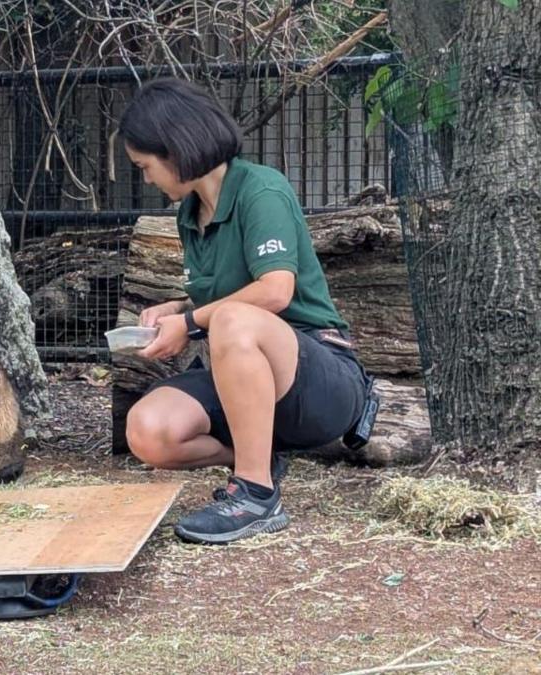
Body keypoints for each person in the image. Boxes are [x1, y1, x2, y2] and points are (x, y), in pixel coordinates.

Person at [119, 78, 372, 544]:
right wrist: (176, 307)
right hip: (240, 369)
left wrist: (190, 322)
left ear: (175, 150)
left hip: (320, 379)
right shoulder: (190, 212)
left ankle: (256, 495)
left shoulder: (261, 190)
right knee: (147, 431)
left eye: (146, 166)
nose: (147, 178)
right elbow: (225, 295)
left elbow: (274, 291)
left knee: (233, 322)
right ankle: (253, 453)